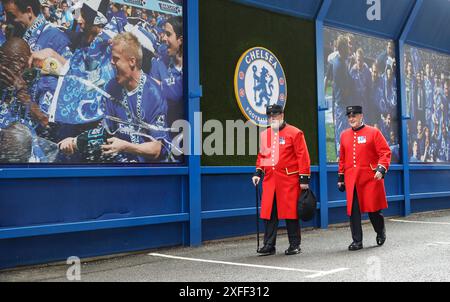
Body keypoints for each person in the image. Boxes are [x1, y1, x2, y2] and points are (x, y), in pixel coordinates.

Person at [58, 32, 170, 163]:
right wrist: (75, 142)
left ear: (132, 61)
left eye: (116, 58)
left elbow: (156, 149)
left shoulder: (153, 94)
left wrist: (125, 146)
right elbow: (107, 133)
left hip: (152, 172)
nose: (111, 63)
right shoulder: (112, 87)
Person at [252, 104, 311, 256]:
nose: (272, 118)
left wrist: (304, 179)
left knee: (291, 213)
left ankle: (294, 245)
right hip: (270, 181)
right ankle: (269, 245)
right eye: (270, 116)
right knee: (269, 213)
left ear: (282, 115)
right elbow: (262, 157)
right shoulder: (265, 135)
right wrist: (258, 173)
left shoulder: (295, 133)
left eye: (275, 115)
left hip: (289, 180)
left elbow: (302, 156)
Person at [337, 106, 391, 251]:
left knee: (373, 211)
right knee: (353, 211)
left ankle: (380, 231)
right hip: (352, 180)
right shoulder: (344, 135)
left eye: (354, 116)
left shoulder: (374, 132)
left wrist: (381, 168)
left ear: (361, 116)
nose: (351, 119)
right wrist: (341, 177)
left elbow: (385, 152)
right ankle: (357, 241)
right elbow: (342, 158)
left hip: (370, 179)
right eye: (349, 116)